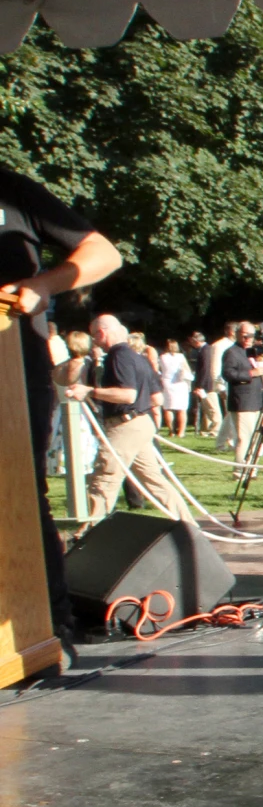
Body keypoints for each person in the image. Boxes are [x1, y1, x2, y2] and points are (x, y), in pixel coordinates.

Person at [0, 169, 122, 637]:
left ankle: (48, 627)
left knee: (22, 497)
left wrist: (47, 285)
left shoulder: (10, 189)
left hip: (13, 369)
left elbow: (103, 252)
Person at [67, 313, 189, 522]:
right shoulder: (139, 358)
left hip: (124, 425)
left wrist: (89, 391)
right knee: (155, 481)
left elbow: (127, 394)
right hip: (141, 424)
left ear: (102, 333)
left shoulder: (117, 356)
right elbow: (157, 398)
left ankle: (87, 534)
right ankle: (188, 525)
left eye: (94, 336)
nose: (94, 341)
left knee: (104, 479)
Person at [221, 322, 263, 480]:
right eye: (245, 335)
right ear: (237, 334)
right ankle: (240, 471)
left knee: (255, 437)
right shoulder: (231, 352)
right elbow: (228, 374)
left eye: (251, 336)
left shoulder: (252, 352)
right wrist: (250, 373)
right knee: (243, 438)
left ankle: (252, 469)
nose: (248, 338)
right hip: (242, 401)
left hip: (256, 400)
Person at [206, 327, 237, 448]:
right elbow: (215, 367)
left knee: (231, 413)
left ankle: (222, 441)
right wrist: (219, 386)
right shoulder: (219, 345)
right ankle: (228, 441)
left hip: (235, 382)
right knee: (233, 412)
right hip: (225, 383)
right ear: (231, 331)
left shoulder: (235, 344)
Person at [157, 338, 193, 436]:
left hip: (167, 383)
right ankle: (181, 432)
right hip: (180, 384)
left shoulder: (162, 357)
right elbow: (187, 370)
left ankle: (171, 430)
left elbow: (159, 370)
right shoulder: (181, 357)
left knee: (168, 408)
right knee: (182, 409)